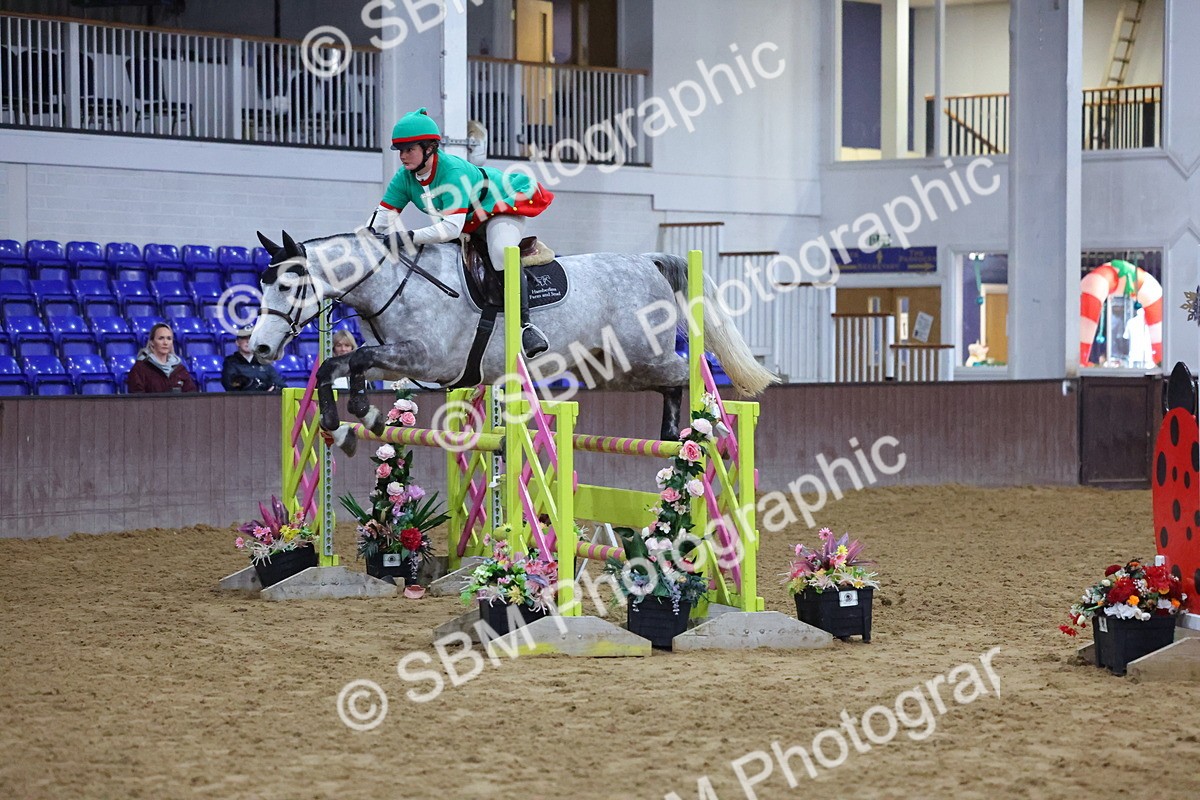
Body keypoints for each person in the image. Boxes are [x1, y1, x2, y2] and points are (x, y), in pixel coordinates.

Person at [367, 107, 554, 358]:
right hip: (467, 219)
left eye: (409, 149)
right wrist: (361, 242)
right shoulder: (404, 177)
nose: (402, 156)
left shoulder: (452, 171)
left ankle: (525, 326)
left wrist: (407, 237)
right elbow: (381, 219)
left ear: (430, 148)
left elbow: (449, 229)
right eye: (400, 150)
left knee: (501, 253)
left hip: (500, 205)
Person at [126, 322, 198, 394]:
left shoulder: (180, 369)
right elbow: (136, 400)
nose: (165, 343)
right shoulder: (140, 369)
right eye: (161, 338)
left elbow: (191, 396)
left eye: (169, 338)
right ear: (152, 342)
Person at [221, 325, 287, 392]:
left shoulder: (263, 362)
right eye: (244, 338)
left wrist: (274, 388)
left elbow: (281, 386)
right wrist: (259, 386)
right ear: (237, 342)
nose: (248, 341)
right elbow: (229, 385)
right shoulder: (231, 362)